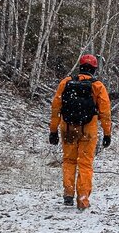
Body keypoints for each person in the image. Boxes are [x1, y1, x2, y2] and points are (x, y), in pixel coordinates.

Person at [48, 54, 112, 210]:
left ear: (80, 66)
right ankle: (82, 199)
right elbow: (105, 112)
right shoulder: (98, 86)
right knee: (85, 164)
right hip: (88, 129)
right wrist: (107, 133)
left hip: (68, 127)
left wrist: (53, 130)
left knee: (69, 161)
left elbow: (56, 108)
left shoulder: (66, 82)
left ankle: (68, 194)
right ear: (94, 69)